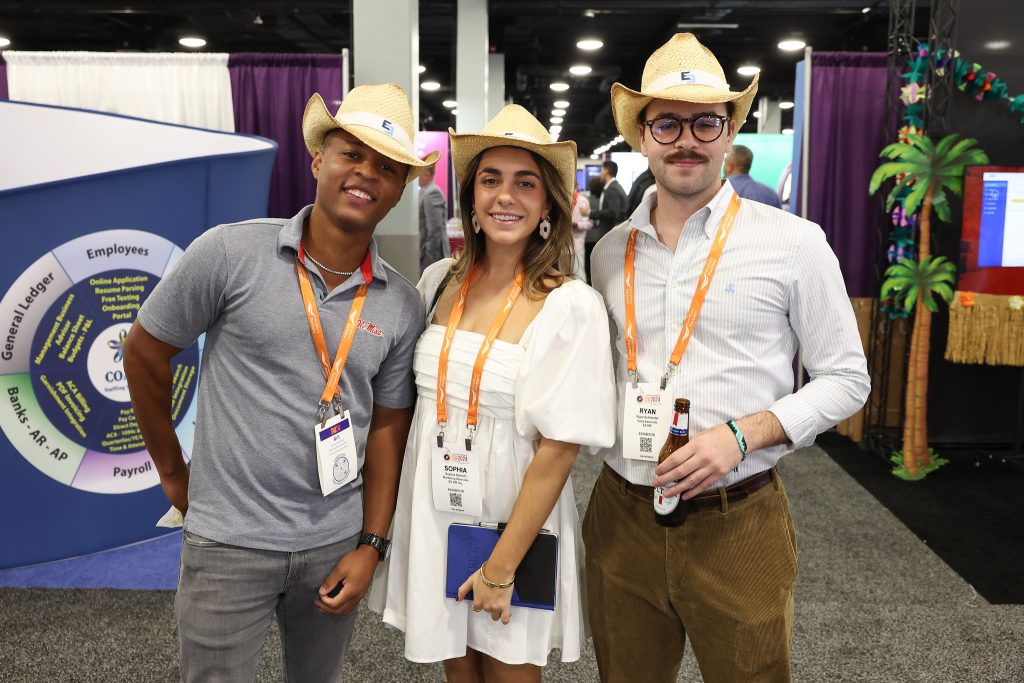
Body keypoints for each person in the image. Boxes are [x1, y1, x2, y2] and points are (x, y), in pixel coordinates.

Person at [123, 83, 439, 682]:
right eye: (352, 154)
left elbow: (388, 428)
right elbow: (143, 352)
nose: (366, 174)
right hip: (227, 540)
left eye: (387, 168)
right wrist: (171, 472)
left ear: (400, 190)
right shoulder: (230, 252)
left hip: (334, 542)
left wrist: (372, 543)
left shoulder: (401, 303)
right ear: (318, 161)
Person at [586, 33, 870, 682]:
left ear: (730, 129)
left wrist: (742, 435)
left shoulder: (794, 243)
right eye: (667, 123)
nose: (686, 140)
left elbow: (846, 378)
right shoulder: (607, 253)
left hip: (738, 518)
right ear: (642, 136)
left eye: (705, 122)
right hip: (622, 513)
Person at [373, 104, 616, 681]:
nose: (506, 196)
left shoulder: (570, 305)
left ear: (548, 204)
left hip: (516, 520)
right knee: (459, 672)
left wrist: (502, 567)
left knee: (508, 671)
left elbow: (560, 448)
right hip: (437, 507)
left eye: (525, 183)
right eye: (491, 180)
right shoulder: (439, 281)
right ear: (471, 198)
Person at [584, 161, 627, 282]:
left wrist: (590, 213)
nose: (600, 173)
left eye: (601, 170)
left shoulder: (612, 189)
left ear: (606, 171)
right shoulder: (613, 187)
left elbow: (613, 212)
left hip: (610, 234)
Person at [419, 163, 451, 273]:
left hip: (433, 255)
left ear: (426, 174)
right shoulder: (424, 191)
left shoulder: (432, 193)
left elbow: (435, 228)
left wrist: (429, 255)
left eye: (418, 174)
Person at [570, 183, 592, 279]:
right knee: (563, 280)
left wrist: (577, 225)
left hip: (577, 246)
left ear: (576, 187)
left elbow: (589, 223)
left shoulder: (583, 201)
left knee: (579, 277)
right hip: (561, 247)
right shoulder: (561, 200)